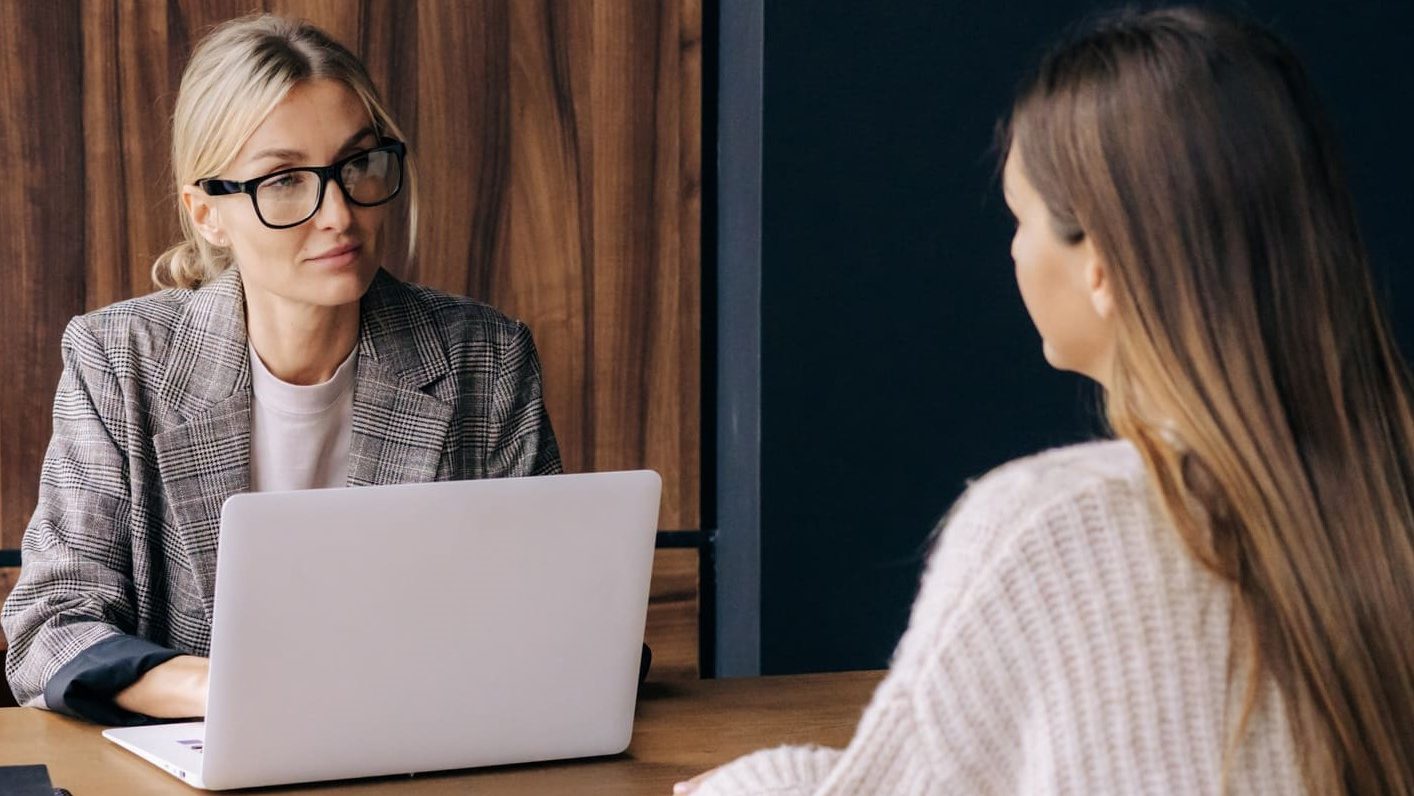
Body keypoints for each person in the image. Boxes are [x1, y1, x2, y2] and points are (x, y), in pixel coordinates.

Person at [679, 7, 1414, 795]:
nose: (1012, 250)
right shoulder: (1385, 500)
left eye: (1019, 218)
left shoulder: (1051, 529)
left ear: (1097, 260)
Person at [1, 15, 561, 725]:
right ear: (207, 213)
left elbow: (552, 614)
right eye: (286, 180)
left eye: (358, 163)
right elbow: (50, 626)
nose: (338, 212)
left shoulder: (484, 357)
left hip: (422, 751)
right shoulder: (120, 359)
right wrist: (231, 690)